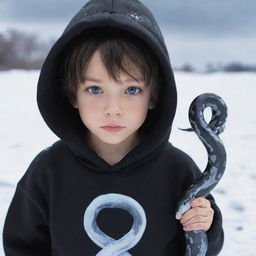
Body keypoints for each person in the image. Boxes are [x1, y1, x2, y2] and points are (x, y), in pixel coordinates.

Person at [2, 0, 224, 255]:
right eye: (95, 89)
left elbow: (202, 248)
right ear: (73, 95)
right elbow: (22, 245)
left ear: (153, 97)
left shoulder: (177, 171)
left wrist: (205, 225)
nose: (113, 108)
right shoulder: (48, 171)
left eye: (131, 90)